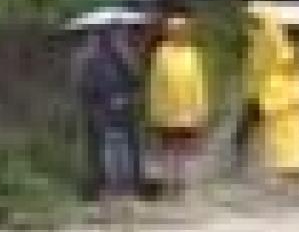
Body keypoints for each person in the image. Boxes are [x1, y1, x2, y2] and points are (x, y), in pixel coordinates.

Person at [77, 17, 148, 201]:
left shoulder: (119, 56)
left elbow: (136, 80)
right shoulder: (92, 58)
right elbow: (86, 88)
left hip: (118, 110)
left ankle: (122, 186)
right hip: (106, 111)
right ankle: (116, 186)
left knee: (120, 148)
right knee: (112, 148)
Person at [148, 12, 209, 199]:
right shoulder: (161, 53)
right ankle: (169, 184)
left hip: (189, 111)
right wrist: (156, 110)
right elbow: (156, 84)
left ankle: (183, 184)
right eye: (175, 30)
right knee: (168, 149)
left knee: (186, 149)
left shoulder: (192, 53)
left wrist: (201, 109)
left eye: (182, 30)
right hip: (167, 111)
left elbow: (199, 82)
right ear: (168, 32)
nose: (179, 34)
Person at [231, 11, 296, 177]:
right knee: (248, 128)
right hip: (259, 89)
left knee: (253, 128)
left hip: (268, 90)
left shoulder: (271, 32)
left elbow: (285, 59)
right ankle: (246, 162)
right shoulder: (261, 34)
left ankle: (253, 163)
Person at [259, 30, 299, 202]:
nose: (293, 64)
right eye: (289, 61)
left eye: (295, 61)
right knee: (285, 164)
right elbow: (266, 107)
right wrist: (287, 104)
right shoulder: (272, 80)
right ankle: (285, 194)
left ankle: (297, 193)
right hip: (281, 130)